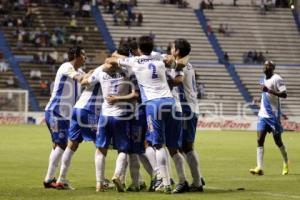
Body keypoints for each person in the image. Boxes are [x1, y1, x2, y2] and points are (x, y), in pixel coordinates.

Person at [105, 36, 183, 194]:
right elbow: (176, 63)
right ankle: (180, 180)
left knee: (158, 145)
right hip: (170, 102)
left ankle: (166, 183)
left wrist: (120, 57)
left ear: (139, 49)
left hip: (153, 104)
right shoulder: (160, 57)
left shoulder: (134, 61)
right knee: (172, 145)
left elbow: (110, 60)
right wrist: (171, 60)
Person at [43, 46, 86, 189]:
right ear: (76, 55)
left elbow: (86, 75)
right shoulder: (66, 67)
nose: (85, 58)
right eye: (83, 55)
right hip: (56, 112)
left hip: (64, 115)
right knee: (61, 145)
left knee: (57, 145)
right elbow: (80, 78)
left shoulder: (78, 70)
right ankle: (48, 180)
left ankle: (51, 178)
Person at [170, 38, 205, 192]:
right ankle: (197, 178)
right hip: (187, 109)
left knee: (186, 147)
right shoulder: (185, 64)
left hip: (186, 110)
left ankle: (196, 183)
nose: (170, 49)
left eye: (172, 47)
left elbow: (178, 80)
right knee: (182, 146)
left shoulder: (180, 66)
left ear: (177, 51)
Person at [249, 60, 289, 176]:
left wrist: (270, 91)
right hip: (263, 115)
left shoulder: (277, 79)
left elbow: (284, 94)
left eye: (268, 66)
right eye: (265, 65)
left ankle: (286, 162)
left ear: (272, 68)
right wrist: (258, 99)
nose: (265, 67)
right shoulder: (262, 78)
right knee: (259, 140)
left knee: (278, 142)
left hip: (273, 116)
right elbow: (264, 94)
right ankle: (259, 167)